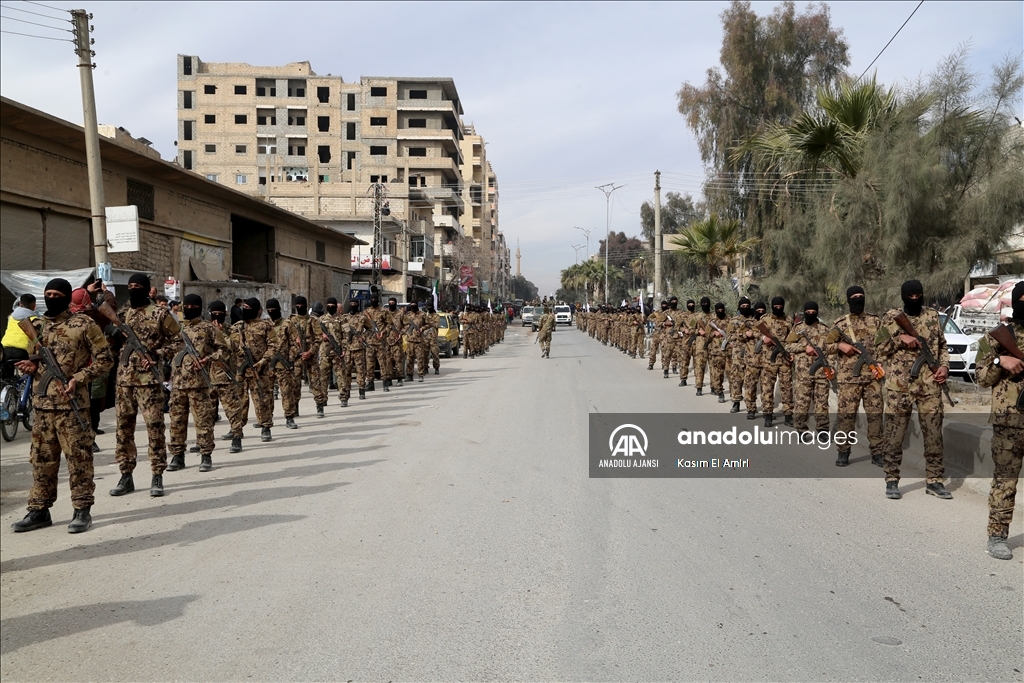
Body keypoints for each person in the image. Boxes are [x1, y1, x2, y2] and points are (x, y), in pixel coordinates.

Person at [10, 279, 113, 534]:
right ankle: (39, 510)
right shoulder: (38, 326)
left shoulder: (84, 324)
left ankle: (81, 510)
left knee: (78, 460)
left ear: (67, 297)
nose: (51, 298)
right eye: (47, 294)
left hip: (71, 406)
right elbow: (36, 358)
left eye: (57, 294)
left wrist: (77, 378)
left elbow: (105, 360)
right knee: (42, 460)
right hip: (42, 406)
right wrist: (31, 366)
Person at [874, 280, 951, 500]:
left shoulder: (932, 316)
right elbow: (879, 348)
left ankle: (934, 480)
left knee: (934, 434)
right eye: (911, 296)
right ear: (904, 297)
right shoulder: (890, 318)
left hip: (929, 385)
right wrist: (900, 339)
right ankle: (891, 479)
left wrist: (944, 366)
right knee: (894, 435)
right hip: (900, 386)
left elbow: (942, 346)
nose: (915, 300)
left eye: (919, 296)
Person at [110, 274, 181, 498]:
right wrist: (111, 334)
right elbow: (110, 345)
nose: (133, 290)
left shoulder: (160, 313)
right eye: (130, 286)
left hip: (149, 381)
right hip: (124, 381)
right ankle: (126, 475)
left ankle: (157, 475)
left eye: (137, 287)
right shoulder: (123, 313)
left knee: (154, 429)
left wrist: (155, 354)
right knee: (123, 431)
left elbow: (178, 341)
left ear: (147, 289)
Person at [975, 280, 1024, 560]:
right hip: (1009, 423)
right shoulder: (996, 338)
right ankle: (997, 536)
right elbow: (981, 379)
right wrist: (999, 362)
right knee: (1005, 481)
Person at [167, 294, 229, 473]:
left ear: (199, 308)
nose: (188, 308)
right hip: (178, 384)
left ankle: (206, 455)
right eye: (186, 305)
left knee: (203, 421)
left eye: (192, 306)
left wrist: (207, 359)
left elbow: (223, 350)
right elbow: (170, 348)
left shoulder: (209, 329)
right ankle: (178, 456)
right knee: (177, 421)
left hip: (199, 384)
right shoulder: (178, 329)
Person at [826, 286, 884, 467]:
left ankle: (877, 452)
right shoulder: (840, 324)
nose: (858, 299)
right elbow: (825, 345)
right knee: (846, 417)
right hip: (849, 379)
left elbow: (884, 346)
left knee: (875, 416)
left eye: (861, 296)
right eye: (854, 297)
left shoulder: (876, 321)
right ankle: (843, 452)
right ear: (848, 300)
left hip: (872, 378)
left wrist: (881, 363)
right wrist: (839, 347)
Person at [231, 298, 280, 444]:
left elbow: (274, 346)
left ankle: (265, 427)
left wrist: (263, 361)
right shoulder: (237, 327)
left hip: (260, 370)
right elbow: (231, 347)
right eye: (244, 306)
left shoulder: (266, 326)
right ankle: (237, 429)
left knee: (262, 399)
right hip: (241, 371)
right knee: (239, 401)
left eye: (248, 307)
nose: (245, 309)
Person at [785, 301, 832, 434]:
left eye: (813, 312)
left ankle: (823, 430)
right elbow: (788, 346)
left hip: (822, 372)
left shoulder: (824, 329)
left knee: (822, 403)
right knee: (802, 403)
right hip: (803, 373)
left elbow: (830, 349)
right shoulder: (798, 328)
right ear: (804, 312)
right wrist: (804, 348)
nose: (811, 314)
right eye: (808, 312)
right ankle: (801, 429)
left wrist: (831, 365)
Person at [290, 296, 328, 417]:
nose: (299, 308)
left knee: (315, 382)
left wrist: (310, 352)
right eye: (298, 306)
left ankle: (320, 406)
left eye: (301, 306)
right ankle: (294, 407)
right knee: (295, 383)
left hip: (310, 355)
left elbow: (318, 338)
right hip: (296, 356)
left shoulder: (313, 321)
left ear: (306, 307)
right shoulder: (291, 321)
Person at [760, 297, 794, 428]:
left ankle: (788, 415)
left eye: (780, 305)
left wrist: (791, 354)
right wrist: (764, 338)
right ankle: (768, 415)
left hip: (784, 360)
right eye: (776, 305)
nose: (778, 307)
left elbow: (793, 339)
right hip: (769, 360)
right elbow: (756, 333)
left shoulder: (788, 321)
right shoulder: (765, 319)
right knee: (767, 387)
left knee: (787, 389)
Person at [266, 298, 300, 430]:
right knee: (267, 393)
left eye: (273, 310)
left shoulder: (288, 324)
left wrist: (290, 359)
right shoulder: (266, 325)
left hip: (283, 364)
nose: (271, 312)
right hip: (269, 364)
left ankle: (289, 417)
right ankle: (266, 418)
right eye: (268, 310)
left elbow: (295, 344)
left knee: (286, 392)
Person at [2, 293, 39, 380]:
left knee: (5, 377)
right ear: (34, 306)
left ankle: (5, 389)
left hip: (5, 350)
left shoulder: (11, 317)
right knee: (31, 372)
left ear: (20, 304)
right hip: (22, 352)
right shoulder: (35, 320)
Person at [726, 298, 752, 413]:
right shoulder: (733, 321)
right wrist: (742, 334)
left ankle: (750, 405)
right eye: (743, 305)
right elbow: (728, 337)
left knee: (750, 380)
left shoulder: (754, 320)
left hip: (752, 354)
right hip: (738, 354)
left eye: (747, 305)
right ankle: (736, 402)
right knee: (737, 379)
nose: (745, 307)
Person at [405, 302, 430, 381]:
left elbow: (428, 324)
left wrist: (422, 328)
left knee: (420, 358)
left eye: (414, 305)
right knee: (409, 359)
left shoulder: (422, 314)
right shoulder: (407, 315)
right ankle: (409, 375)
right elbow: (404, 325)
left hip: (419, 340)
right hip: (410, 340)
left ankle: (421, 374)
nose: (413, 306)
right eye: (411, 305)